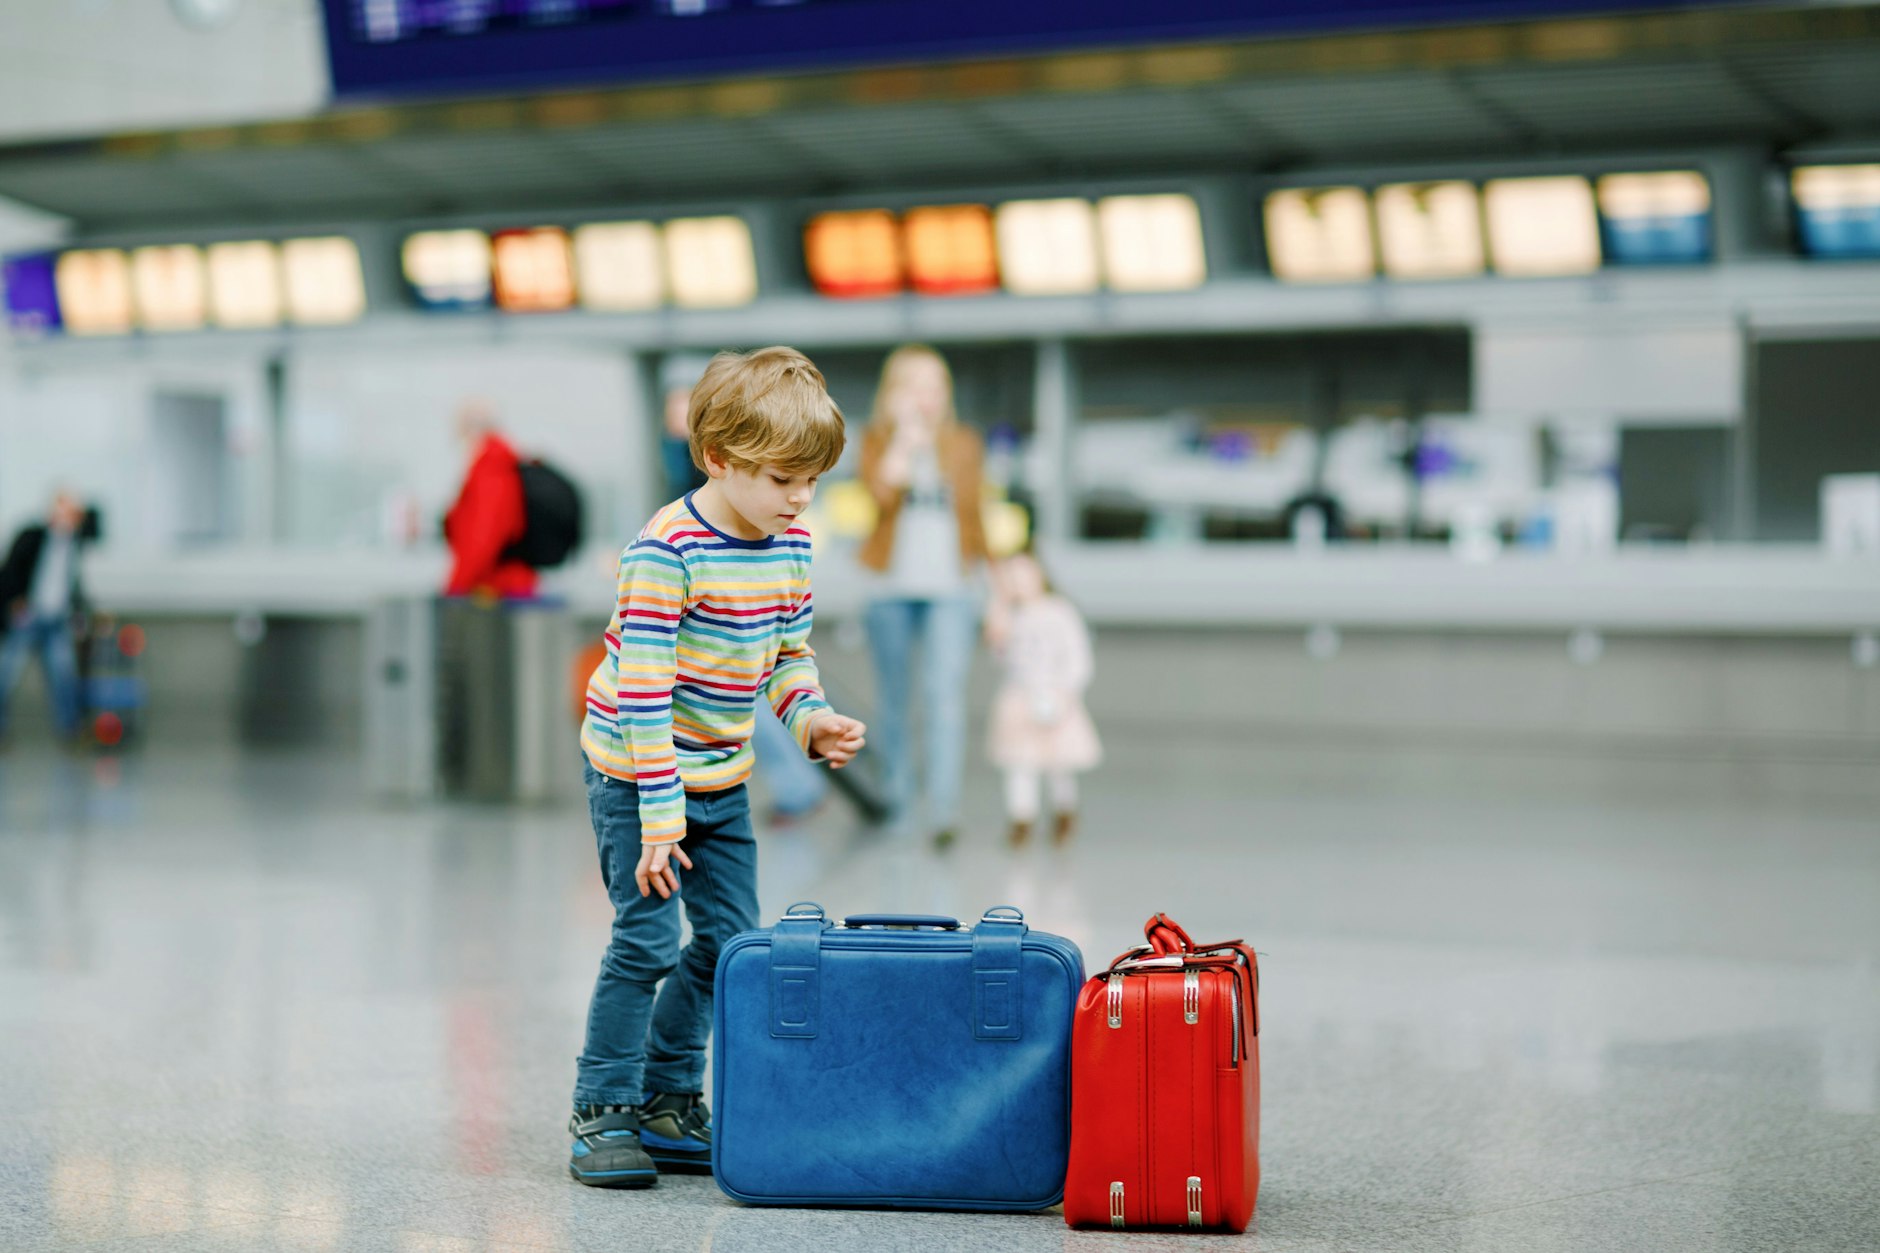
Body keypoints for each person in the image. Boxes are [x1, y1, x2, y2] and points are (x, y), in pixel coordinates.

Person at [569, 346, 866, 1187]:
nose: (800, 498)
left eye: (812, 480)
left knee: (732, 942)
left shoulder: (790, 541)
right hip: (637, 772)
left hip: (719, 773)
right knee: (648, 939)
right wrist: (662, 815)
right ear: (720, 459)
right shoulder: (666, 552)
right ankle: (603, 1105)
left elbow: (785, 655)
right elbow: (642, 692)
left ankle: (668, 1099)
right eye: (782, 479)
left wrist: (811, 722)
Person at [658, 353, 830, 827]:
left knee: (753, 695)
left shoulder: (733, 457)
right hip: (712, 600)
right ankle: (798, 784)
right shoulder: (680, 455)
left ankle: (800, 785)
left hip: (737, 605)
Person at [857, 345, 990, 849]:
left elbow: (976, 520)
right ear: (894, 393)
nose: (930, 398)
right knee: (893, 699)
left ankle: (943, 811)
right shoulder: (876, 442)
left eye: (937, 388)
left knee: (944, 695)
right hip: (888, 589)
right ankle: (897, 799)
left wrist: (994, 593)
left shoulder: (964, 444)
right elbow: (878, 498)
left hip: (953, 590)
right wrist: (904, 445)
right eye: (917, 387)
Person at [987, 552, 1101, 846]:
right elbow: (1002, 655)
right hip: (1019, 697)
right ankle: (1021, 818)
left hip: (1056, 695)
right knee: (1020, 761)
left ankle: (1064, 811)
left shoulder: (1060, 611)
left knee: (1058, 761)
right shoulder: (1010, 614)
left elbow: (1078, 657)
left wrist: (1064, 693)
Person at [0, 491, 95, 746]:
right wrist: (15, 600)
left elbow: (73, 585)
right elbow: (9, 571)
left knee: (64, 676)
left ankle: (71, 731)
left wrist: (79, 614)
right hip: (27, 617)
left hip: (56, 621)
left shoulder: (73, 544)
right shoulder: (31, 536)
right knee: (5, 673)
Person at [443, 401, 538, 599]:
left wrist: (455, 588)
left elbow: (484, 535)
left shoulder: (491, 465)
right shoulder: (499, 463)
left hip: (497, 590)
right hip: (500, 588)